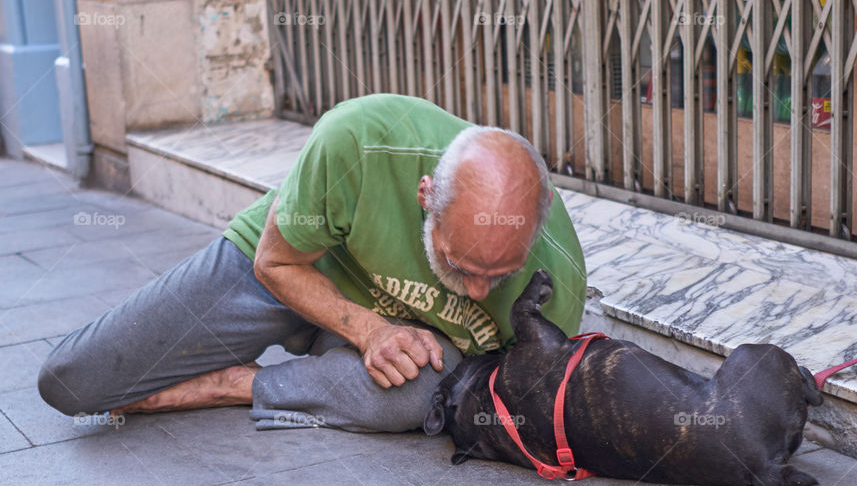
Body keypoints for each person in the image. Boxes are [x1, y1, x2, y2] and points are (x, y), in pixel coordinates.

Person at [38, 94, 587, 432]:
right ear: (425, 196)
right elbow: (274, 264)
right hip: (294, 271)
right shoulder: (358, 139)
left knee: (423, 396)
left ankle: (236, 384)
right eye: (459, 263)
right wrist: (369, 329)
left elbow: (495, 400)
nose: (474, 292)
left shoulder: (554, 285)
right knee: (73, 384)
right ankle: (319, 361)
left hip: (402, 337)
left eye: (497, 275)